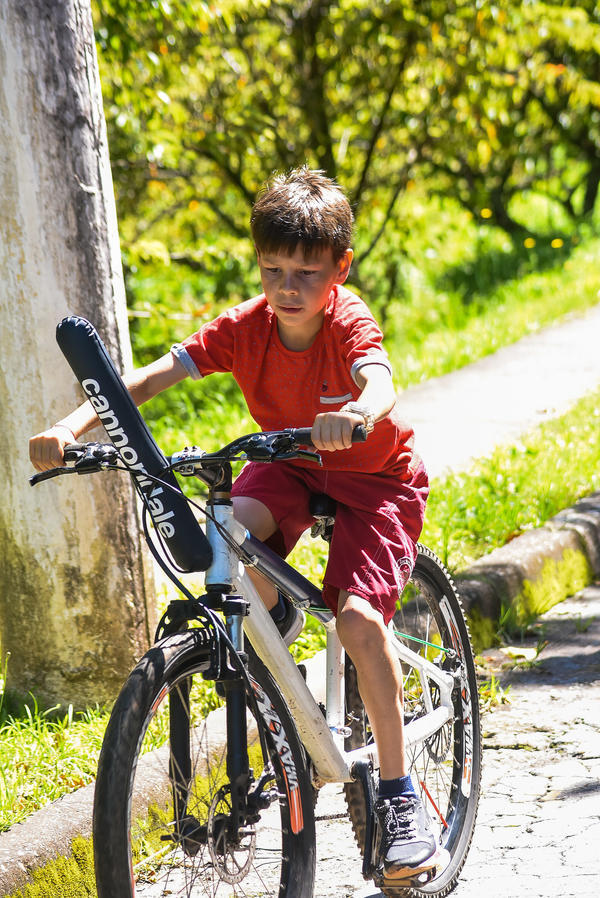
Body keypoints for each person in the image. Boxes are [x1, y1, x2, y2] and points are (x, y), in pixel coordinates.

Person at [29, 166, 438, 881]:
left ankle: (401, 800)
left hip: (373, 478)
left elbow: (380, 378)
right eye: (273, 269)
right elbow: (152, 376)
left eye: (307, 272)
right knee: (227, 532)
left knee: (357, 625)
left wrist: (359, 415)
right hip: (291, 462)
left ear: (340, 268)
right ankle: (269, 628)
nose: (287, 287)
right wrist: (70, 425)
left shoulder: (347, 321)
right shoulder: (247, 328)